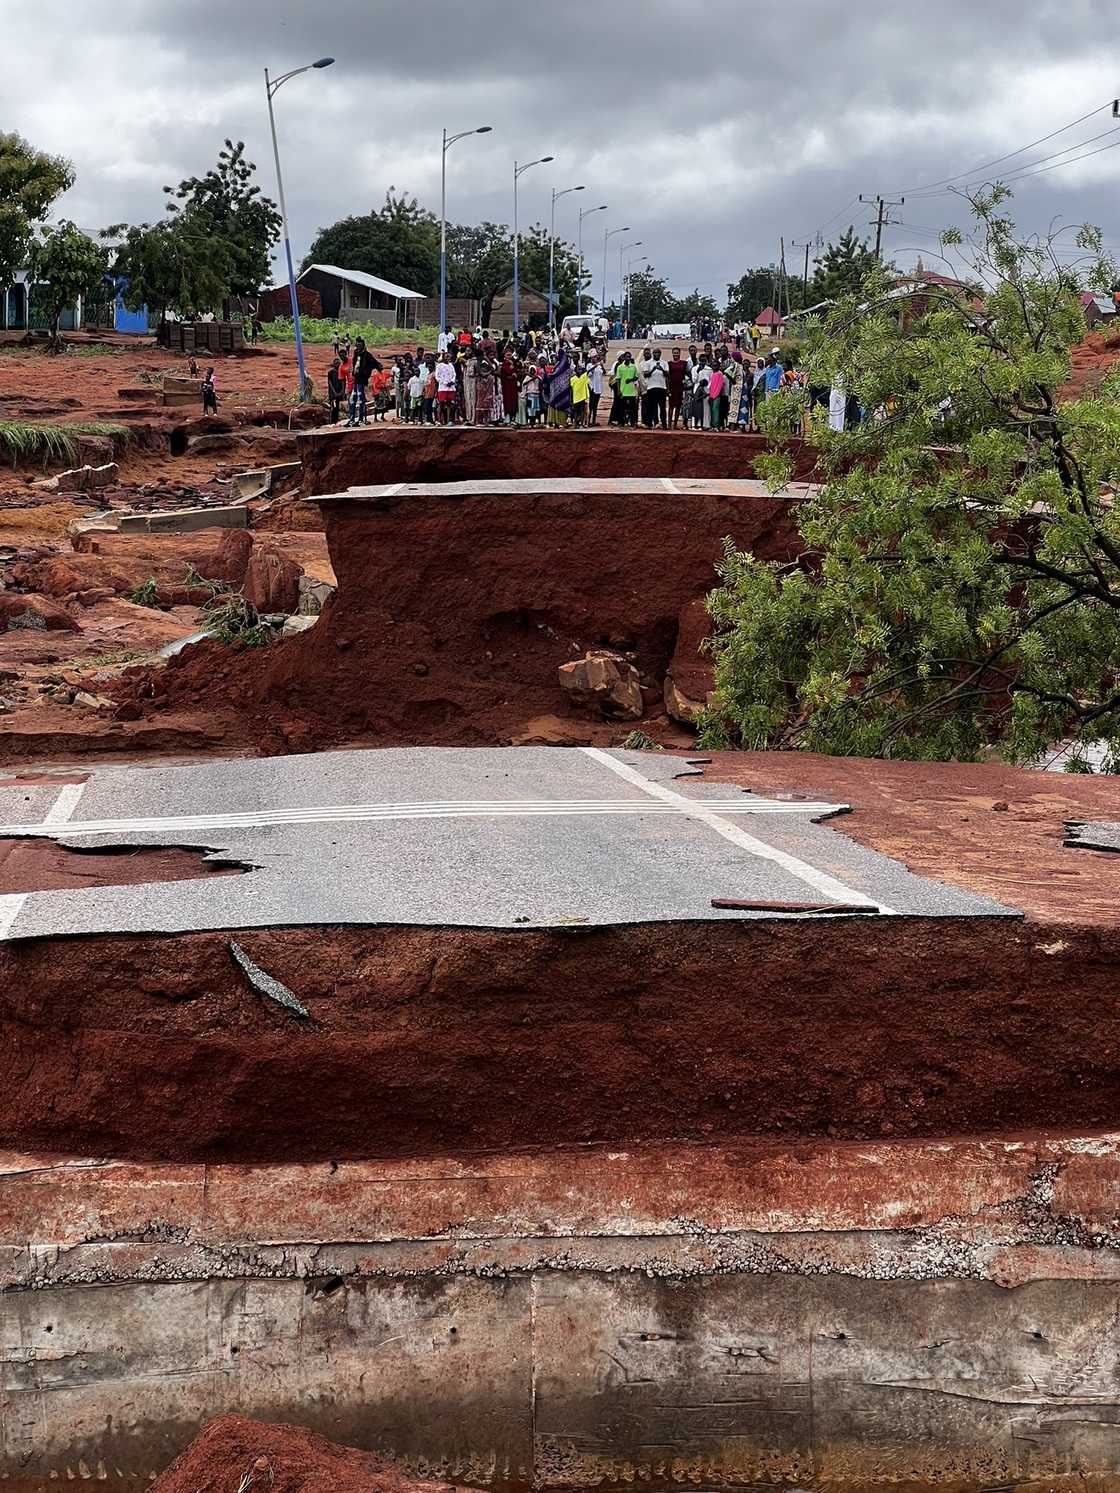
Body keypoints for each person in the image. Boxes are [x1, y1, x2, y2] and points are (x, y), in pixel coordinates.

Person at [641, 347, 669, 430]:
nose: (656, 354)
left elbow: (667, 374)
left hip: (662, 387)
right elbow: (646, 374)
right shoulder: (648, 363)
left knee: (662, 407)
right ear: (653, 354)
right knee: (651, 407)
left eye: (658, 353)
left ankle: (664, 424)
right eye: (655, 353)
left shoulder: (664, 363)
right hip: (651, 387)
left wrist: (662, 369)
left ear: (660, 354)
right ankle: (650, 424)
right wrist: (653, 369)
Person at [616, 351, 640, 426]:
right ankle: (621, 422)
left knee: (632, 408)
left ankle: (632, 422)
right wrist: (618, 390)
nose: (628, 358)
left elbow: (636, 377)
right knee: (622, 408)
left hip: (631, 391)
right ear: (624, 357)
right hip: (623, 390)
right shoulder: (620, 367)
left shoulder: (633, 367)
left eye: (629, 357)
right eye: (626, 357)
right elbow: (618, 379)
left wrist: (631, 379)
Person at [435, 351, 457, 425]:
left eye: (449, 356)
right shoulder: (439, 366)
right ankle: (439, 420)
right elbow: (437, 377)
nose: (448, 358)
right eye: (446, 356)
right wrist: (445, 383)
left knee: (450, 403)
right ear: (443, 357)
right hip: (442, 387)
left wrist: (452, 381)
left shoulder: (451, 365)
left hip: (451, 387)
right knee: (441, 403)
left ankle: (449, 420)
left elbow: (454, 374)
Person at [461, 350, 480, 425]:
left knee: (473, 400)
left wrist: (466, 363)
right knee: (468, 400)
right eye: (466, 351)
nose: (467, 352)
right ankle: (469, 418)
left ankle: (473, 419)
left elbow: (471, 373)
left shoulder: (474, 361)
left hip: (473, 382)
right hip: (467, 383)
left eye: (469, 351)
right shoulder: (467, 360)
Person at [570, 359, 590, 427]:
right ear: (575, 371)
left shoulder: (583, 377)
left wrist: (596, 365)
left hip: (582, 397)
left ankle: (581, 423)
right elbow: (571, 389)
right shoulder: (572, 379)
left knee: (582, 411)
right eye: (578, 369)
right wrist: (571, 399)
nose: (579, 371)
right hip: (575, 398)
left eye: (581, 370)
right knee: (575, 412)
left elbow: (588, 371)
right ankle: (575, 423)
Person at [326, 358, 346, 424]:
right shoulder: (330, 372)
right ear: (333, 364)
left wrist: (342, 392)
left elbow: (344, 382)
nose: (338, 364)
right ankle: (332, 422)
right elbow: (330, 383)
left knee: (338, 408)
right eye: (336, 363)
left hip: (339, 393)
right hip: (333, 394)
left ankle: (336, 421)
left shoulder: (342, 372)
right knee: (333, 408)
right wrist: (335, 393)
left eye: (339, 363)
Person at [587, 353, 604, 426]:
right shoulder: (589, 365)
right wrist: (596, 366)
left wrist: (601, 365)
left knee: (595, 405)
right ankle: (588, 420)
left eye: (596, 357)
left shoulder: (599, 366)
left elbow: (604, 373)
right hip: (592, 387)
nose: (595, 359)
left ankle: (594, 420)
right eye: (594, 357)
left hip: (598, 388)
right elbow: (589, 373)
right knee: (591, 405)